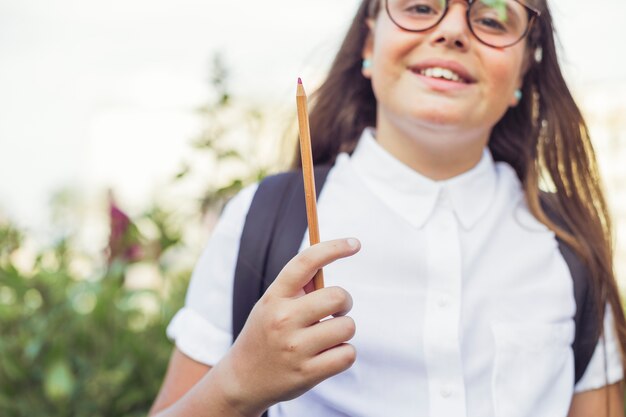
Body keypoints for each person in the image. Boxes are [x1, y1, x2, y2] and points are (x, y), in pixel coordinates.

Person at [149, 0, 626, 416]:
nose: (453, 30)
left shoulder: (569, 243)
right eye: (419, 6)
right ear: (367, 43)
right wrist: (237, 386)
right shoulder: (262, 218)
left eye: (493, 18)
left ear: (525, 69)